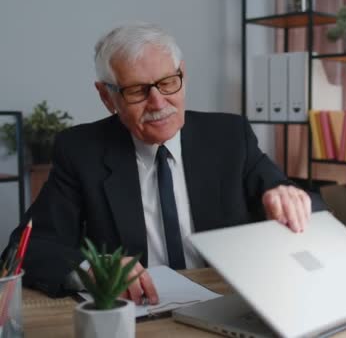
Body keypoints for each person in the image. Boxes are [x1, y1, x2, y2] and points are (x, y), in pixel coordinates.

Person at [5, 23, 315, 302]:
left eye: (168, 82)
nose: (158, 103)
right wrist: (93, 270)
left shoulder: (229, 136)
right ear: (106, 97)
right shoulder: (81, 150)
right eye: (137, 91)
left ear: (183, 73)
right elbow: (28, 247)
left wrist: (288, 197)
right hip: (139, 311)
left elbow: (305, 204)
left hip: (227, 300)